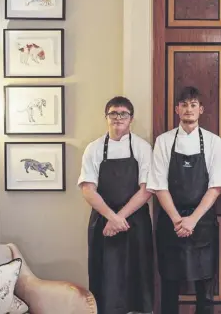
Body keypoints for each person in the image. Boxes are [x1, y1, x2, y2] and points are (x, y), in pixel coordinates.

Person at [146, 86, 221, 314]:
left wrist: (192, 220)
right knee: (169, 285)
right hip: (171, 222)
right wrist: (177, 220)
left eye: (193, 105)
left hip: (202, 223)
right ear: (176, 109)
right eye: (184, 105)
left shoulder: (213, 141)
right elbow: (159, 185)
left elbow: (216, 186)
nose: (188, 109)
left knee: (205, 286)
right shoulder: (164, 141)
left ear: (200, 110)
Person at [78, 96, 154, 314]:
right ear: (106, 117)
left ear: (131, 119)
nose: (118, 118)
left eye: (123, 114)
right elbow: (87, 189)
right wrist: (112, 218)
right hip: (103, 223)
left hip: (136, 223)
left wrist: (119, 218)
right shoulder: (93, 148)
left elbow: (147, 189)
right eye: (113, 113)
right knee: (106, 280)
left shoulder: (141, 147)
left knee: (137, 279)